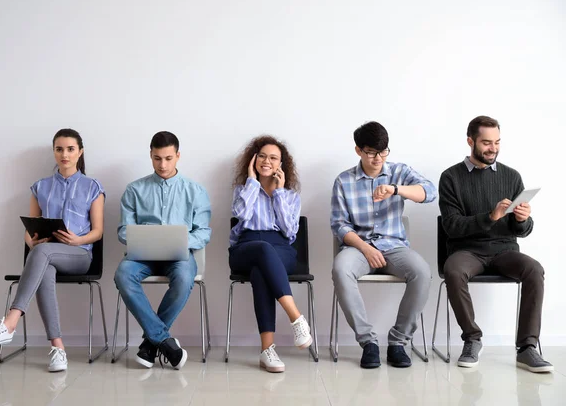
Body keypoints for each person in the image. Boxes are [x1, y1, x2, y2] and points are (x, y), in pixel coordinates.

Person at [0, 128, 105, 373]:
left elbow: (97, 231)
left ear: (80, 152)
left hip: (80, 255)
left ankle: (9, 323)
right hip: (46, 253)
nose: (64, 154)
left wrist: (78, 241)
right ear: (54, 152)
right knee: (43, 262)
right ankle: (58, 349)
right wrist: (31, 241)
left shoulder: (92, 186)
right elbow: (30, 226)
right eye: (59, 149)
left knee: (42, 255)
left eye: (70, 149)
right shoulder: (40, 187)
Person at [439, 115, 553, 373]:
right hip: (467, 250)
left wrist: (523, 220)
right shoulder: (450, 178)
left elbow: (522, 231)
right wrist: (490, 217)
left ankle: (527, 348)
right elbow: (451, 226)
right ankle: (472, 339)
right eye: (486, 143)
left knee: (534, 269)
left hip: (504, 250)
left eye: (497, 142)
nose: (493, 148)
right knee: (453, 270)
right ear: (471, 141)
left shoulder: (512, 177)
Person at [331, 121, 436, 369]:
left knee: (422, 272)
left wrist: (396, 189)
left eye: (383, 151)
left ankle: (398, 342)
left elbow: (430, 192)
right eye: (371, 152)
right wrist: (366, 249)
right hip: (359, 247)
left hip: (395, 247)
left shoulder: (399, 171)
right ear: (358, 150)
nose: (378, 158)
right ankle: (368, 342)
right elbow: (339, 225)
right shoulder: (343, 181)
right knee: (340, 269)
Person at [114, 131, 211, 370]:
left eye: (168, 158)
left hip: (178, 255)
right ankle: (164, 340)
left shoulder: (195, 191)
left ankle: (151, 343)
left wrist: (179, 241)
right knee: (122, 275)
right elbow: (123, 231)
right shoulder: (134, 190)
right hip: (142, 256)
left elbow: (204, 232)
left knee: (185, 277)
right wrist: (145, 238)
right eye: (157, 158)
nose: (163, 164)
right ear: (150, 155)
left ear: (178, 156)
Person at [229, 135, 312, 373]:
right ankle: (296, 318)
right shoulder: (243, 189)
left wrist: (278, 193)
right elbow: (241, 215)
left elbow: (289, 231)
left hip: (282, 250)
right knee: (261, 252)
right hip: (245, 248)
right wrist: (253, 183)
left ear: (281, 164)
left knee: (261, 271)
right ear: (253, 159)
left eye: (273, 158)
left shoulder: (290, 196)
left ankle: (267, 351)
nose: (267, 161)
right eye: (262, 156)